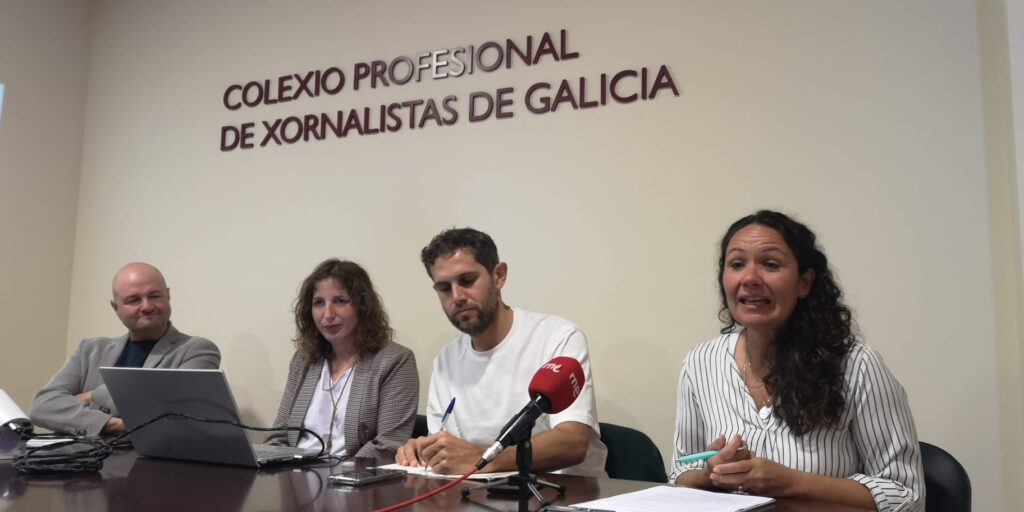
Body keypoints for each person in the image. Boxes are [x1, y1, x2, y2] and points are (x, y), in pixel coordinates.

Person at [671, 210, 924, 511]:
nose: (749, 278)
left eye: (770, 264)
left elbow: (905, 494)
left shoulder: (857, 365)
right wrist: (710, 475)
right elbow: (680, 474)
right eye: (737, 264)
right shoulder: (699, 363)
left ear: (804, 283)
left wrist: (788, 482)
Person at [395, 228, 607, 476]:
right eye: (444, 287)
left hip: (565, 492)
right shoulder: (445, 360)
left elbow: (572, 443)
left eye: (467, 280)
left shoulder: (558, 337)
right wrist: (422, 451)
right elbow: (447, 451)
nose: (457, 296)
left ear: (499, 276)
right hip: (480, 491)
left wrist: (482, 459)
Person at [30, 262, 220, 437]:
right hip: (79, 458)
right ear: (116, 307)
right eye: (134, 300)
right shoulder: (89, 350)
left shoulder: (197, 351)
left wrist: (92, 396)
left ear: (168, 296)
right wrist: (113, 424)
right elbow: (42, 407)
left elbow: (175, 415)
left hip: (147, 461)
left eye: (154, 296)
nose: (146, 306)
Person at [265, 259, 418, 463]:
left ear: (362, 307)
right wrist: (270, 464)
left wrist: (338, 473)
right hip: (295, 475)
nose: (328, 314)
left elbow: (388, 445)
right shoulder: (304, 360)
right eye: (319, 303)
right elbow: (279, 436)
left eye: (340, 301)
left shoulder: (395, 360)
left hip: (355, 478)